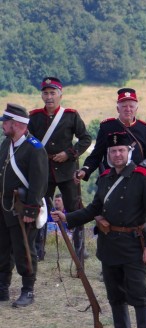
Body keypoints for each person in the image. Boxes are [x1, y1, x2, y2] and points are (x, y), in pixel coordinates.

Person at [52, 131, 146, 328]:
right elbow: (94, 208)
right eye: (113, 151)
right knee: (115, 294)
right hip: (109, 243)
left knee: (138, 293)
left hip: (133, 245)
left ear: (128, 152)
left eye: (121, 150)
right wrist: (67, 218)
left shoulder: (144, 177)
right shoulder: (104, 178)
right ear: (108, 154)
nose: (117, 154)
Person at [29, 77, 91, 263]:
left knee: (75, 209)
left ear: (60, 95)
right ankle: (38, 251)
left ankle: (79, 251)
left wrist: (69, 153)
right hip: (43, 170)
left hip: (68, 170)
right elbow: (29, 141)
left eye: (52, 93)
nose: (49, 97)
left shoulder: (71, 115)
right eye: (46, 93)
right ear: (41, 95)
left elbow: (85, 139)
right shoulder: (34, 117)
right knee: (40, 208)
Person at [0, 103, 48, 307]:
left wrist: (31, 210)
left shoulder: (35, 148)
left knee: (24, 250)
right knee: (2, 249)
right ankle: (2, 288)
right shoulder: (6, 144)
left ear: (17, 125)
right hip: (4, 207)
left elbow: (39, 182)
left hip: (22, 209)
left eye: (6, 123)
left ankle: (28, 290)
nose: (3, 126)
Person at [75, 88, 146, 183]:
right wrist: (85, 170)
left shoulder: (145, 129)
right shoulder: (107, 127)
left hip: (137, 181)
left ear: (136, 109)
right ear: (118, 109)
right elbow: (97, 155)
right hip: (111, 179)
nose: (128, 109)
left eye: (131, 106)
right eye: (124, 106)